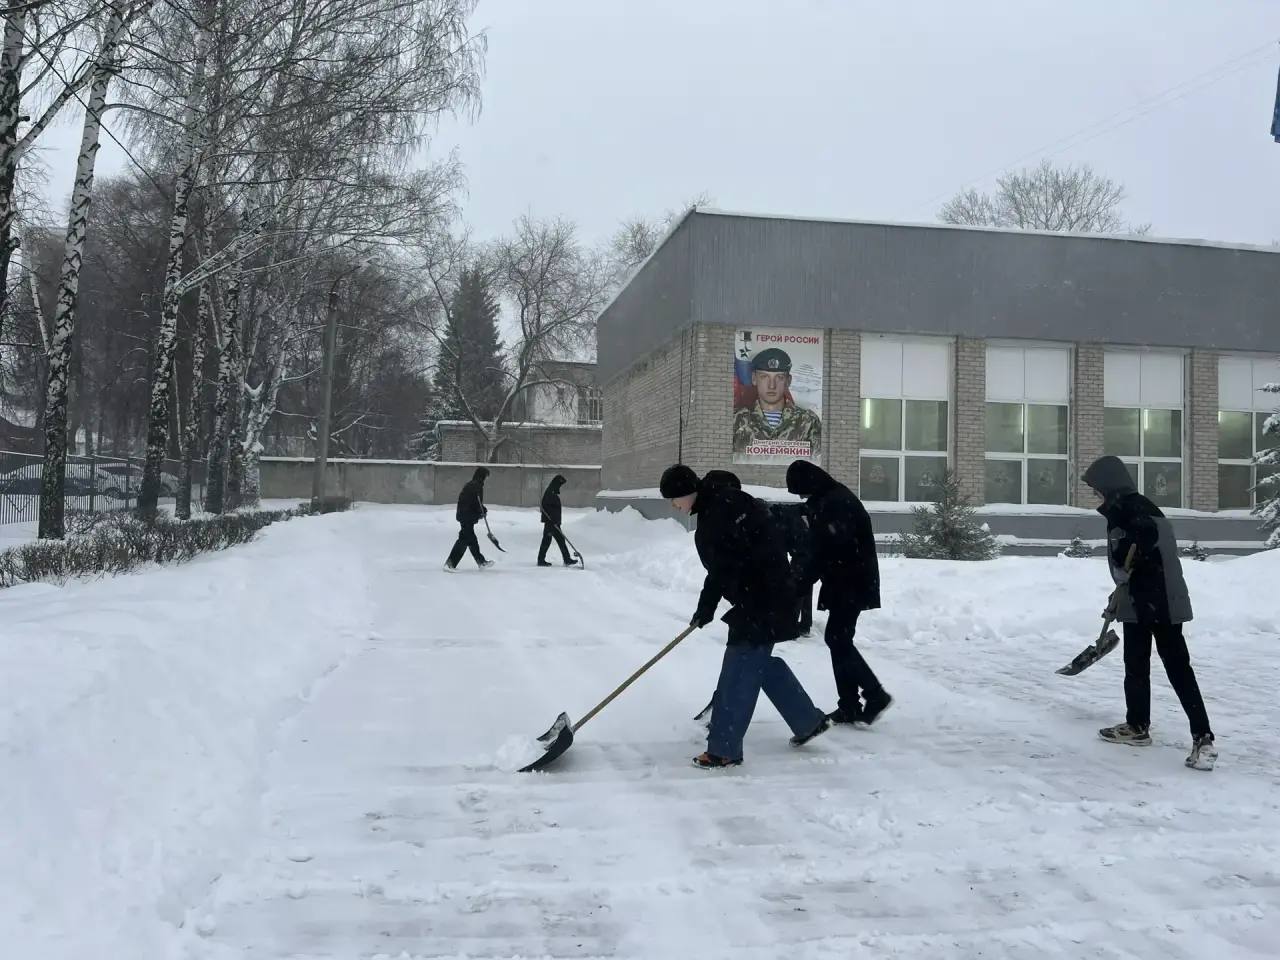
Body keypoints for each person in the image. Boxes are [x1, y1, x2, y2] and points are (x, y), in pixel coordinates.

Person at [660, 463, 829, 769]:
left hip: (762, 600)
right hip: (772, 595)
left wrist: (706, 608)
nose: (674, 506)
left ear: (688, 492)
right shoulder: (728, 505)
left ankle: (724, 749)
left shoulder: (717, 515)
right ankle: (807, 720)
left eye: (675, 499)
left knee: (739, 668)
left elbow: (720, 570)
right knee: (758, 663)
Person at [1081, 456, 1216, 771]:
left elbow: (1144, 545)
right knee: (1136, 664)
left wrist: (1133, 556)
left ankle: (1203, 737)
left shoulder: (1134, 510)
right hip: (1142, 599)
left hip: (1159, 601)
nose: (1095, 495)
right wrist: (1120, 593)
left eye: (1096, 488)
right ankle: (1138, 725)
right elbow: (1129, 562)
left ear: (1109, 484)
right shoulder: (1131, 508)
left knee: (1177, 668)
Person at [785, 459, 892, 726]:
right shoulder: (829, 498)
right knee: (838, 639)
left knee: (838, 639)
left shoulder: (835, 503)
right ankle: (850, 705)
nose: (801, 496)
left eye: (801, 490)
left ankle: (873, 694)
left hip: (851, 580)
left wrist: (799, 583)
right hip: (845, 579)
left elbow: (825, 549)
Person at [731, 348, 822, 456]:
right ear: (754, 379)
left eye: (779, 377)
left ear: (788, 381)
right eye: (764, 377)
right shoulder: (736, 420)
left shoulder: (809, 422)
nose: (772, 385)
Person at [768, 500, 814, 636]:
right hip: (808, 553)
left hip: (802, 554)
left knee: (796, 589)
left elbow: (781, 543)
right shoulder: (789, 513)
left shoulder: (779, 518)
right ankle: (805, 625)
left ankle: (791, 626)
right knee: (805, 589)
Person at [444, 466, 494, 570]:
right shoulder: (477, 486)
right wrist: (481, 511)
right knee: (466, 540)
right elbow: (477, 502)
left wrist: (482, 510)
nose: (486, 479)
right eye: (486, 476)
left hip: (465, 515)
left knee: (469, 539)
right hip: (467, 516)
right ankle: (450, 564)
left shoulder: (471, 484)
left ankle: (480, 561)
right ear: (482, 476)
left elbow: (475, 502)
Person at [537, 474, 575, 567]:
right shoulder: (550, 493)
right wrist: (552, 520)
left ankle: (567, 559)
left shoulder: (552, 492)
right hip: (551, 524)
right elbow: (545, 507)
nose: (560, 487)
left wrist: (556, 521)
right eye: (560, 484)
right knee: (547, 541)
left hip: (554, 523)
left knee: (560, 541)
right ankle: (541, 560)